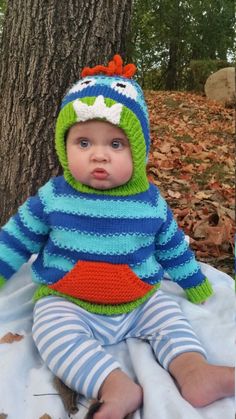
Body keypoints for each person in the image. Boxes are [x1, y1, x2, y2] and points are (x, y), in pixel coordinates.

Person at [0, 55, 234, 419]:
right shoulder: (54, 196)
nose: (99, 155)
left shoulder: (150, 202)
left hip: (140, 300)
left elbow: (172, 247)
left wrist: (195, 284)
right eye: (83, 143)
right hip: (69, 300)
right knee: (51, 331)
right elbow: (17, 237)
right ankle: (114, 386)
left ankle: (193, 371)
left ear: (138, 151)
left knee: (169, 318)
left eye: (115, 145)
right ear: (64, 145)